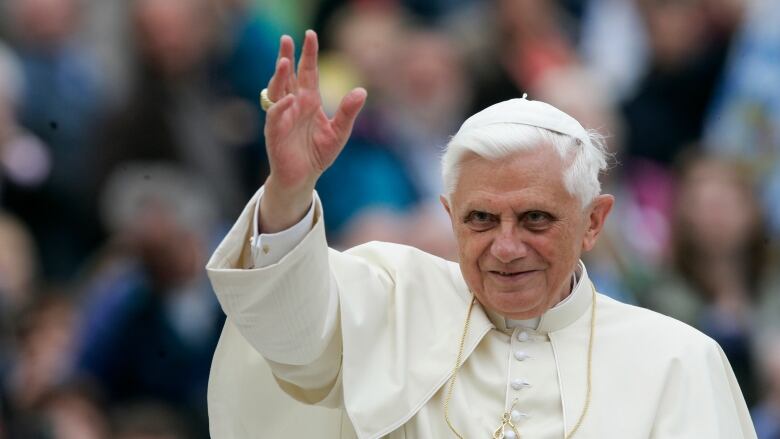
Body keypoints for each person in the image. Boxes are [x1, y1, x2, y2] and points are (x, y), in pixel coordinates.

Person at [205, 31, 756, 438]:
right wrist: (289, 192)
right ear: (449, 216)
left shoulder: (679, 362)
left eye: (535, 219)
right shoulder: (390, 296)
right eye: (481, 220)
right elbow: (287, 337)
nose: (507, 247)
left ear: (593, 222)